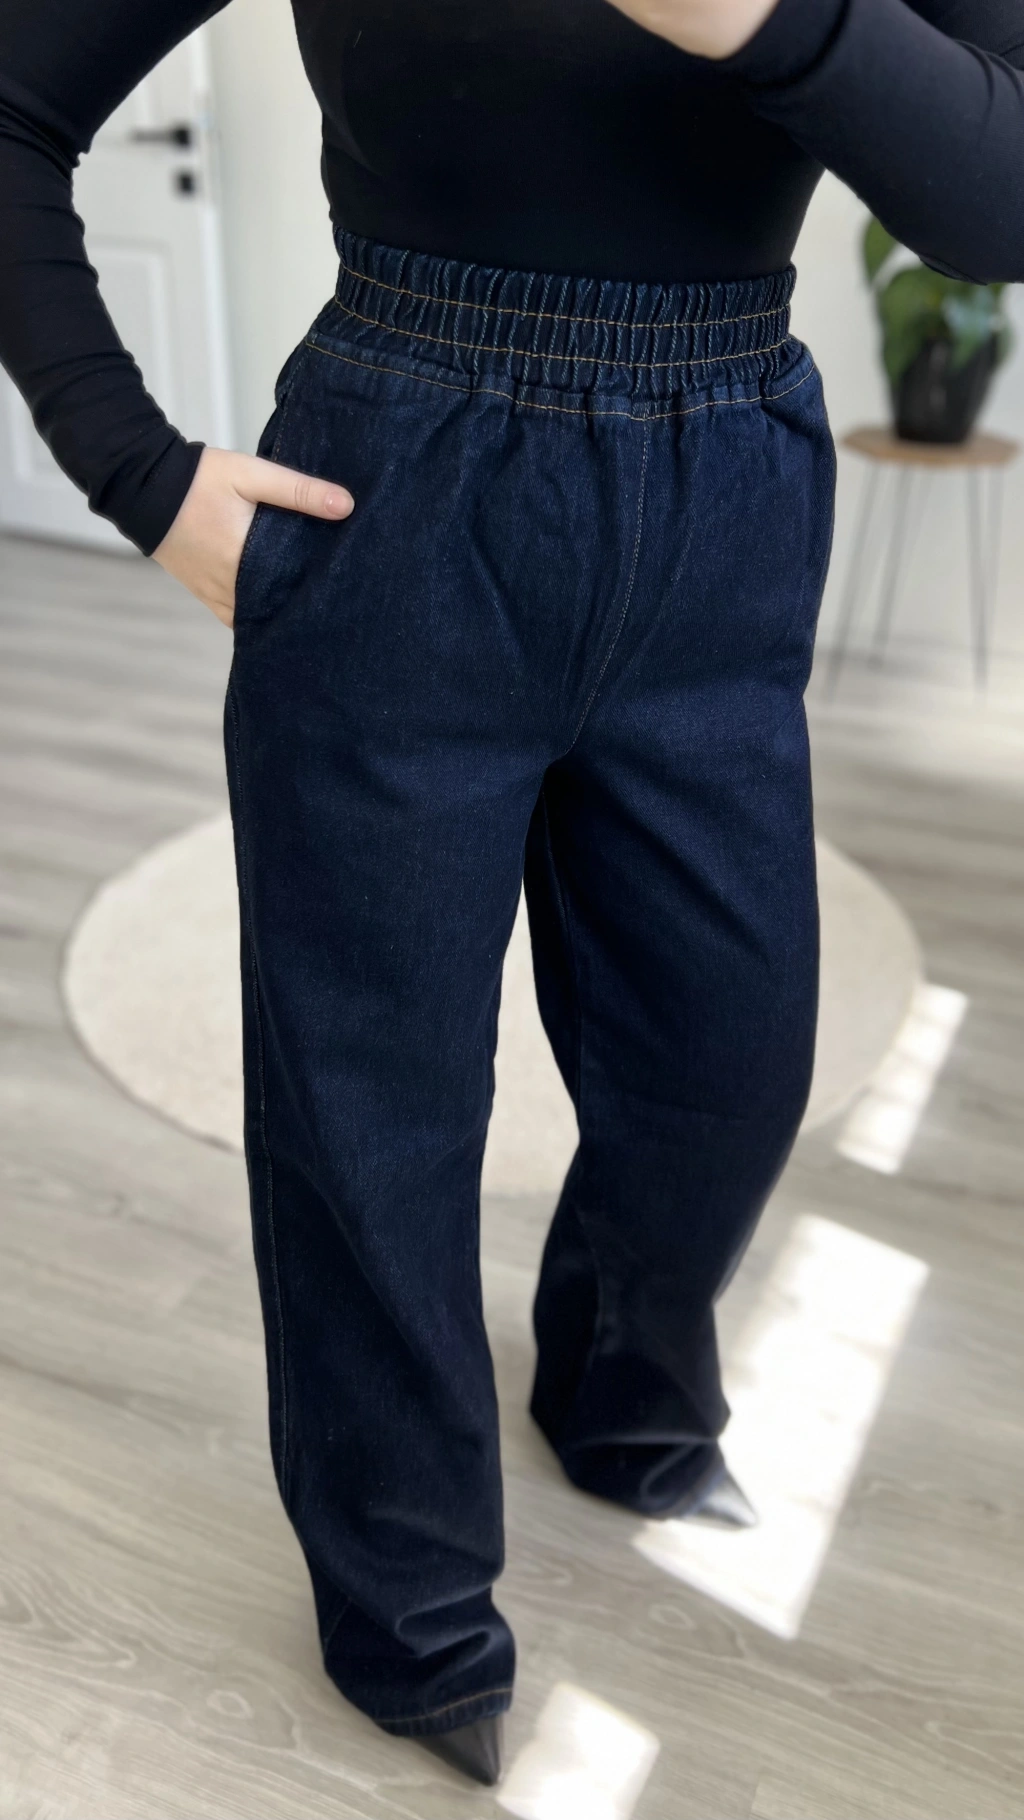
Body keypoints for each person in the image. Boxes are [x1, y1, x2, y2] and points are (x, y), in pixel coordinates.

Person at [1, 0, 1022, 1788]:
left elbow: (996, 204)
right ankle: (407, 1604)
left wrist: (749, 13)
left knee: (727, 1061)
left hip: (727, 490)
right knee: (369, 1110)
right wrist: (142, 477)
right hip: (402, 487)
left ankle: (621, 1389)